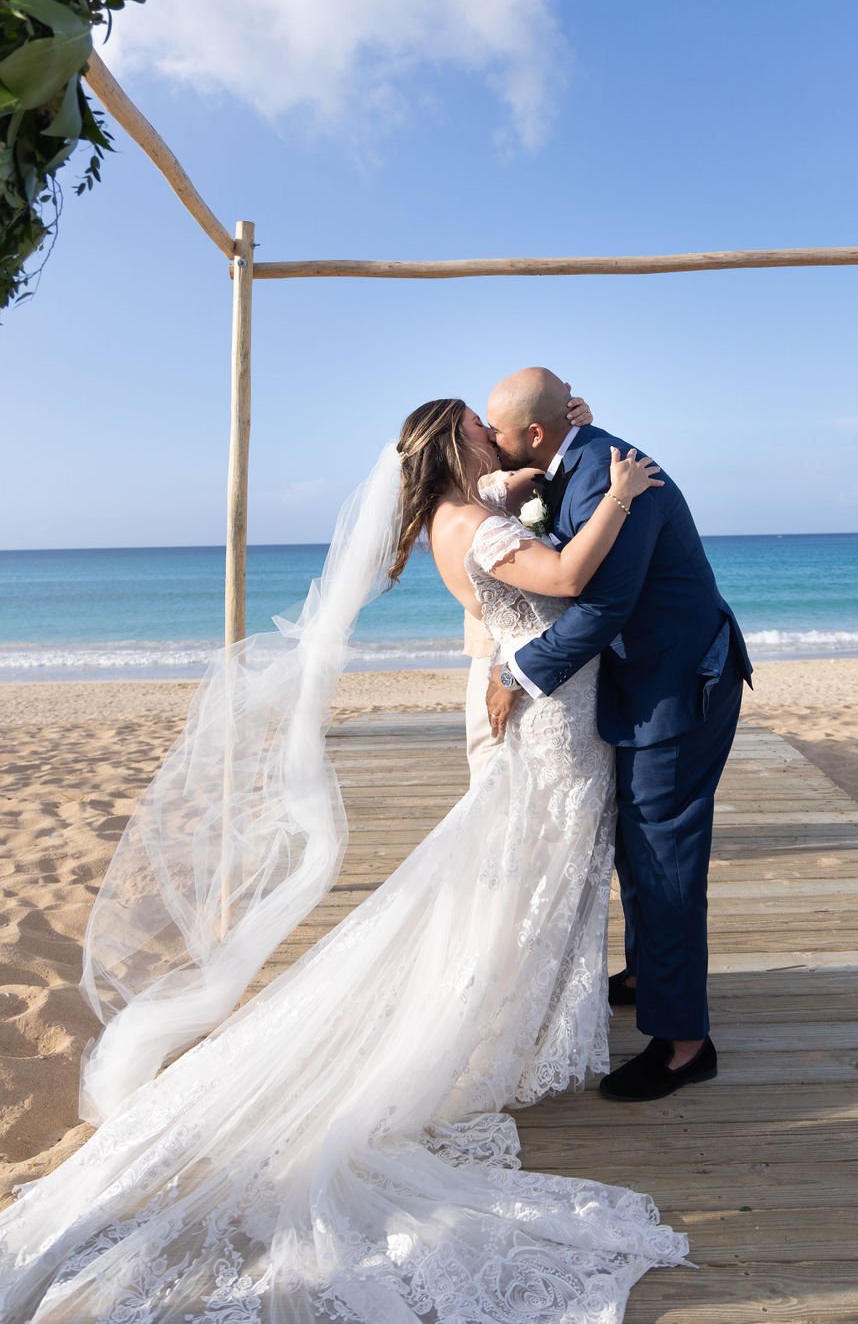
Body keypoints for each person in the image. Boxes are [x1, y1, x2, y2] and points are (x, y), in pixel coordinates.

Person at [0, 397, 692, 1323]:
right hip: (549, 720)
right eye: (481, 433)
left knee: (537, 871)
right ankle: (495, 1014)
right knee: (530, 868)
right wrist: (618, 493)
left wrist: (539, 465)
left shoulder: (467, 508)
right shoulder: (478, 528)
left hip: (546, 714)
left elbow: (503, 493)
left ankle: (528, 1003)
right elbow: (565, 574)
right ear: (458, 446)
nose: (494, 439)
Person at [485, 367, 753, 1103]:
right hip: (650, 681)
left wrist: (515, 676)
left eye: (500, 433)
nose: (495, 445)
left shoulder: (612, 476)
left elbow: (602, 608)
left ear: (534, 434)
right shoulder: (572, 463)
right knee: (636, 840)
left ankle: (684, 1044)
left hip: (677, 685)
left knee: (664, 856)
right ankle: (645, 974)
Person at [463, 386, 593, 785]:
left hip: (553, 648)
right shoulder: (475, 497)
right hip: (499, 644)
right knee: (490, 759)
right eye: (480, 425)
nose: (489, 432)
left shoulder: (515, 473)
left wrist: (571, 428)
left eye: (494, 426)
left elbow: (557, 463)